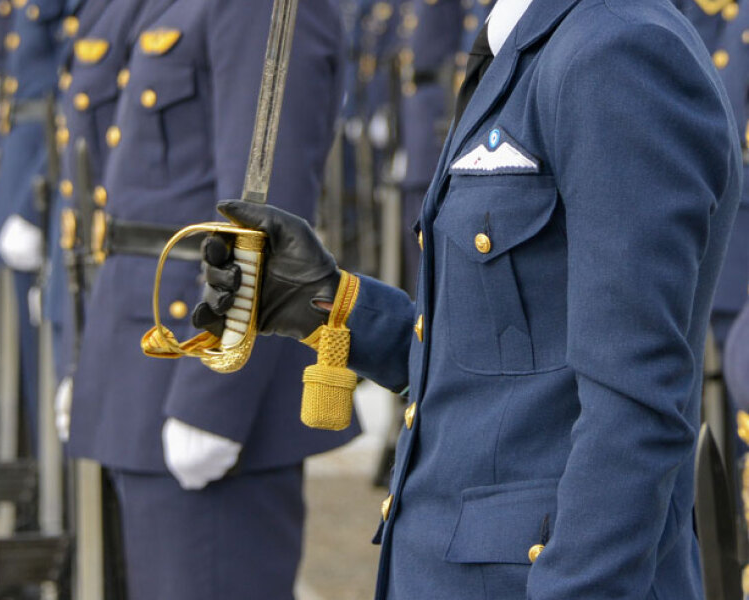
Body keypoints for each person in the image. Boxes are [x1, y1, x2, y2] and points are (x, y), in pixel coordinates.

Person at [194, 0, 742, 596]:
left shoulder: (616, 50)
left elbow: (635, 410)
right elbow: (507, 367)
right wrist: (329, 303)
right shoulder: (532, 43)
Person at [65, 0, 360, 597]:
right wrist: (87, 360)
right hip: (137, 362)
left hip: (197, 363)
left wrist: (214, 395)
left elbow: (265, 217)